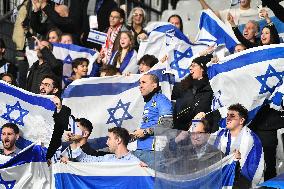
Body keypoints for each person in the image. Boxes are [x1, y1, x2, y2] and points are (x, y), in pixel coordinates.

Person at [210, 104, 264, 188]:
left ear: (241, 120)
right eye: (227, 116)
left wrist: (238, 161)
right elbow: (203, 143)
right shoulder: (219, 134)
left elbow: (253, 168)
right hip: (218, 178)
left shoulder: (251, 139)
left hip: (239, 182)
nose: (228, 118)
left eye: (232, 116)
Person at [132, 74, 173, 167]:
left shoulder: (161, 99)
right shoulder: (148, 103)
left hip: (155, 153)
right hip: (142, 151)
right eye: (139, 83)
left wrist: (146, 131)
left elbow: (168, 124)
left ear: (154, 85)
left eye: (144, 82)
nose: (140, 86)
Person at [172, 54, 213, 130]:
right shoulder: (182, 86)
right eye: (190, 66)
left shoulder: (211, 89)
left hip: (198, 134)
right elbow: (166, 90)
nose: (190, 68)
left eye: (193, 66)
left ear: (202, 68)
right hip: (178, 132)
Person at [39, 74, 72, 163]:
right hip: (32, 151)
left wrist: (58, 108)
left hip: (50, 154)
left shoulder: (64, 109)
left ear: (55, 90)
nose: (42, 87)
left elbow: (64, 126)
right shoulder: (32, 105)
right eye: (42, 84)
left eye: (47, 85)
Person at [61, 127, 140, 163]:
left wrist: (145, 171)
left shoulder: (135, 163)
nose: (106, 142)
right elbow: (85, 159)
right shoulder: (107, 158)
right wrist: (74, 141)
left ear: (118, 140)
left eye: (109, 138)